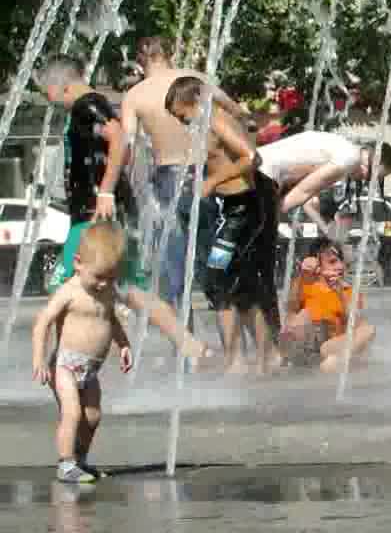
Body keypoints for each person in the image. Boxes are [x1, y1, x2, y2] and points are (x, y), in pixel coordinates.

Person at [36, 57, 210, 364]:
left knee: (63, 287)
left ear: (58, 86)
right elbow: (121, 149)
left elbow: (119, 138)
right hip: (106, 213)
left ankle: (65, 362)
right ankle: (192, 347)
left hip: (93, 217)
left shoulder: (87, 105)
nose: (48, 100)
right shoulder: (94, 104)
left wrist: (105, 190)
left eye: (45, 92)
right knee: (132, 289)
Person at [122, 36, 246, 316]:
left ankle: (185, 342)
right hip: (209, 175)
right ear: (170, 54)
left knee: (174, 275)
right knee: (216, 266)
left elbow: (127, 147)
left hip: (168, 181)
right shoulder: (195, 80)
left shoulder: (135, 95)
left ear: (140, 61)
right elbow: (238, 114)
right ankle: (234, 340)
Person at [165, 76, 281, 375]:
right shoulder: (210, 123)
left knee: (221, 277)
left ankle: (255, 356)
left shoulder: (217, 120)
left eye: (182, 115)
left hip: (243, 209)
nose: (182, 122)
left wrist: (212, 181)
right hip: (233, 208)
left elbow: (252, 157)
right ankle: (254, 357)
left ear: (194, 102)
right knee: (234, 283)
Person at [30, 222, 134, 483]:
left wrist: (124, 344)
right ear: (78, 263)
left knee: (93, 416)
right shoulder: (70, 291)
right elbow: (42, 322)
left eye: (111, 278)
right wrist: (39, 358)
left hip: (90, 369)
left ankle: (80, 460)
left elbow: (111, 320)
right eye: (99, 277)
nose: (104, 284)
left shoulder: (107, 291)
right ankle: (66, 464)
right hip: (64, 364)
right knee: (73, 413)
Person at [280, 238, 375, 372]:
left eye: (341, 261)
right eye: (332, 262)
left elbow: (355, 324)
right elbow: (290, 309)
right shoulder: (306, 285)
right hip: (306, 348)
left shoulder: (348, 291)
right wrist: (304, 274)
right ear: (316, 266)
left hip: (331, 348)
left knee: (368, 329)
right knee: (302, 316)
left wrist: (340, 293)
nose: (340, 266)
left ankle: (337, 361)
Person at [255, 130, 367, 232]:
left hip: (259, 162)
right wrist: (271, 216)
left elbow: (303, 193)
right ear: (366, 166)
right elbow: (303, 191)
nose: (364, 180)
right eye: (368, 177)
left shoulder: (341, 147)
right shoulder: (350, 158)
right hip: (267, 173)